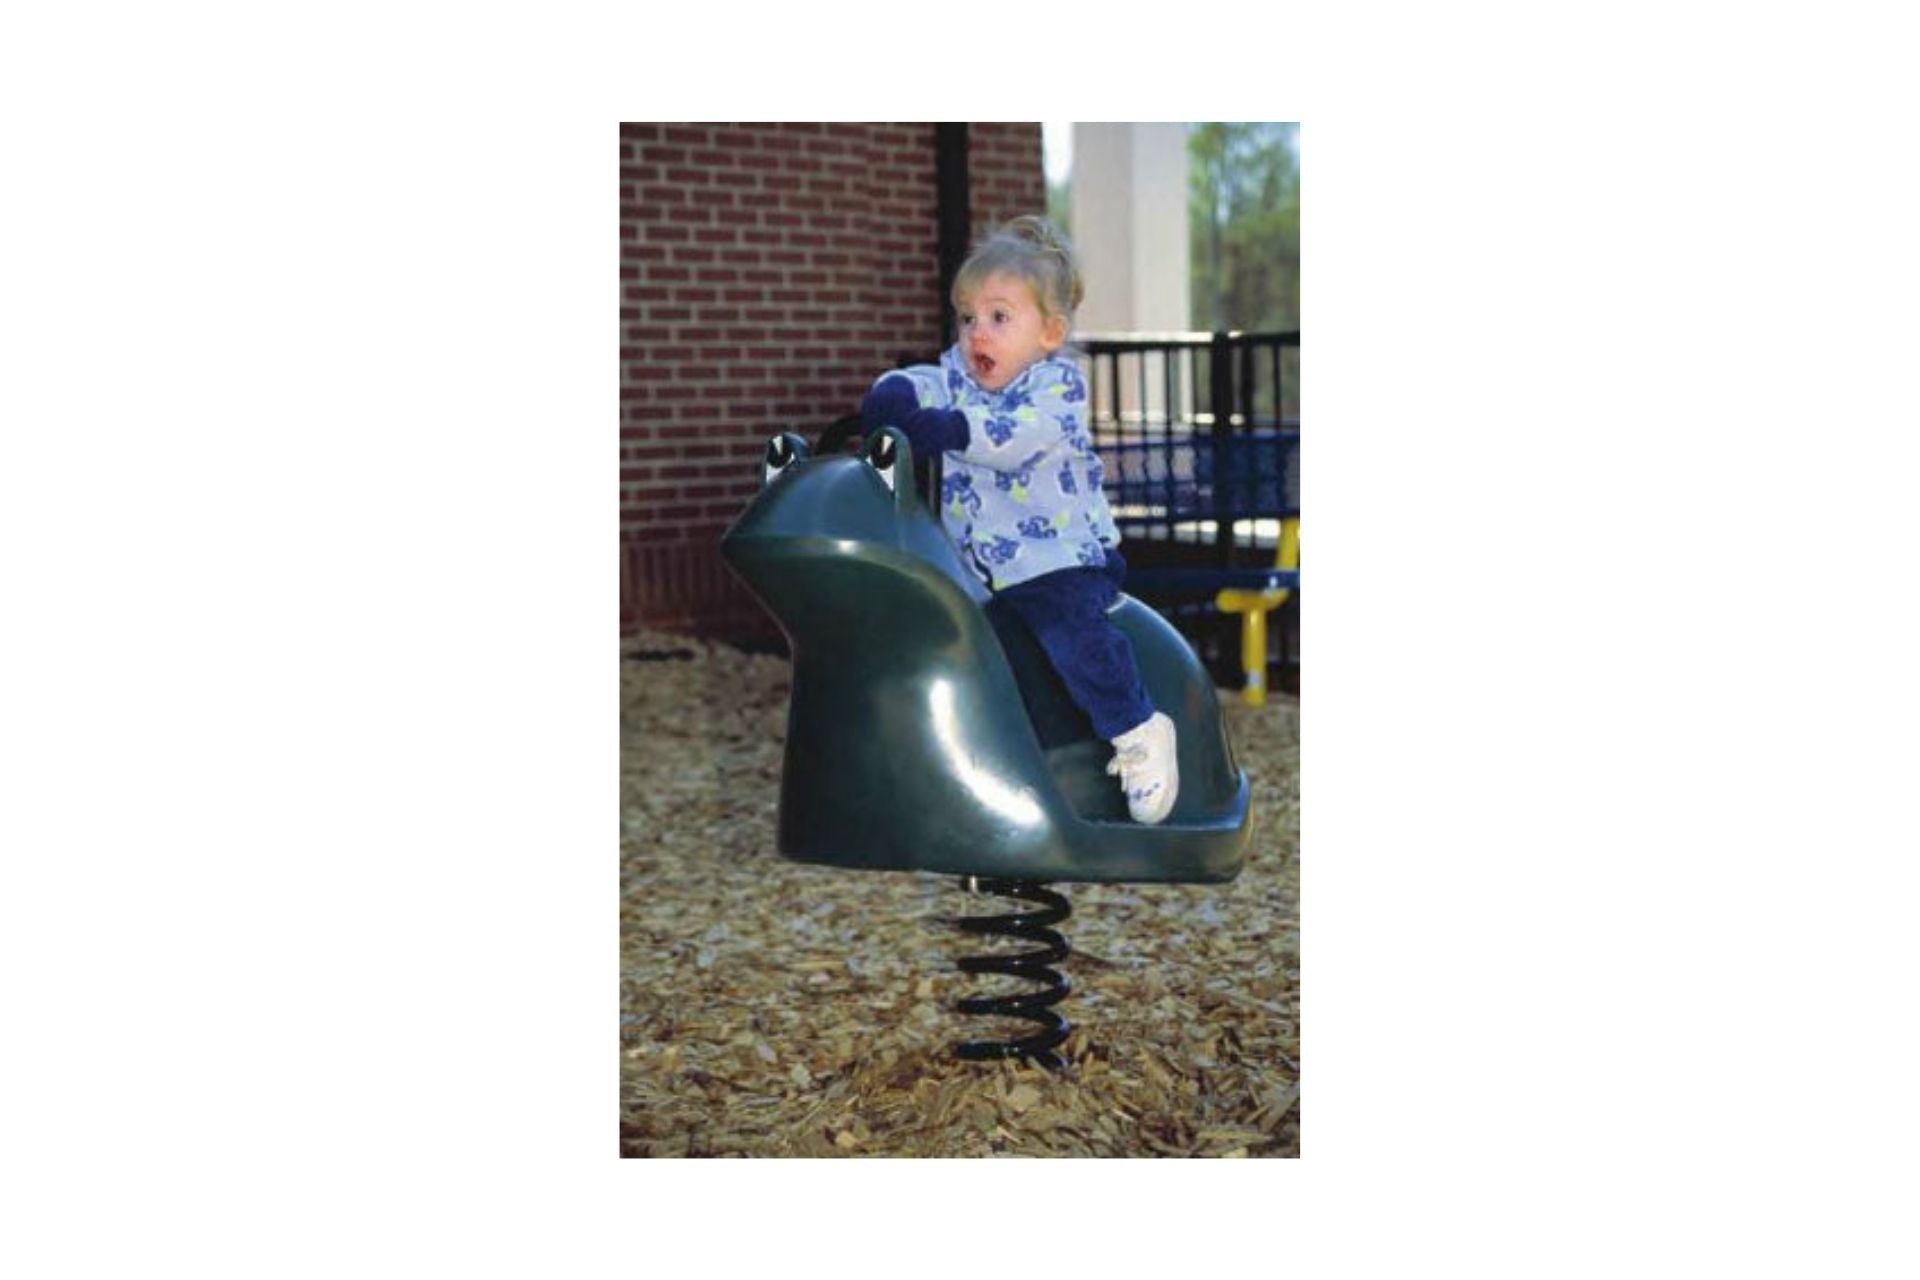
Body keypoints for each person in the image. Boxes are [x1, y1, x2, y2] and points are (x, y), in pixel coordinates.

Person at [858, 216, 1178, 824]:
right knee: (962, 645)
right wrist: (891, 394)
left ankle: (1137, 729)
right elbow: (924, 381)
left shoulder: (1057, 389)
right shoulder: (961, 376)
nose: (977, 333)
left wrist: (949, 428)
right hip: (984, 570)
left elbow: (1013, 438)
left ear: (1050, 332)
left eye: (999, 317)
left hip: (1059, 559)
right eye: (967, 318)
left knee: (1070, 633)